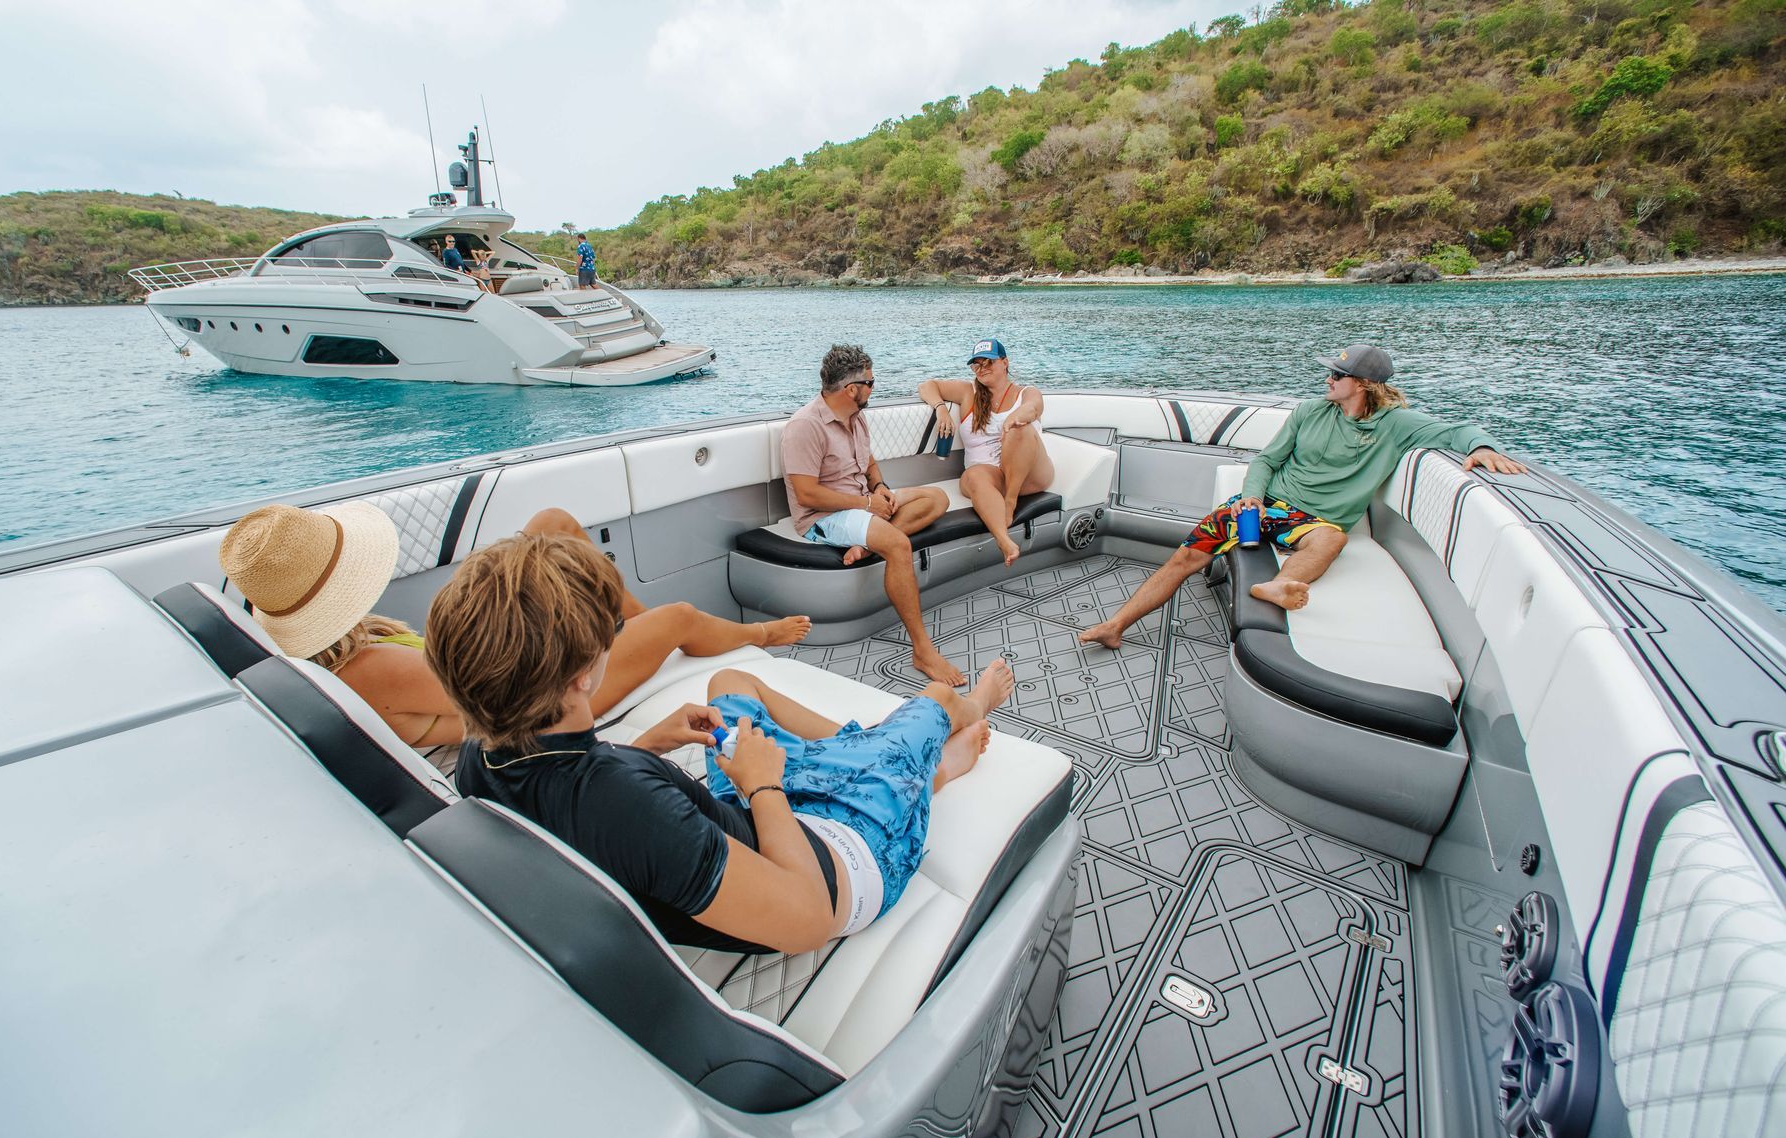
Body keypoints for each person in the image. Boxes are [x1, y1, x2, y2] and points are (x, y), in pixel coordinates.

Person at [427, 533, 1015, 954]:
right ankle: (931, 756)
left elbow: (582, 791)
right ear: (583, 675)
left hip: (739, 820)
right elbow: (808, 920)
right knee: (935, 699)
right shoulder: (631, 806)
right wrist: (762, 784)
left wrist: (649, 745)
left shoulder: (483, 757)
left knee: (730, 682)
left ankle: (872, 758)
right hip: (837, 862)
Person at [217, 502, 812, 767]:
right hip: (539, 704)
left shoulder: (354, 641)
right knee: (679, 617)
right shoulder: (366, 668)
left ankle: (627, 623)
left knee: (552, 525)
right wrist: (551, 624)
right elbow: (502, 692)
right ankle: (758, 635)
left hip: (511, 673)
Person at [1079, 343, 1527, 648]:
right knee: (1185, 556)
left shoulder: (1395, 425)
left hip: (1314, 522)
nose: (1328, 379)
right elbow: (1265, 461)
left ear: (1364, 385)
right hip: (1267, 507)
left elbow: (1461, 430)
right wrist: (1252, 496)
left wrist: (1483, 449)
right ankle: (1117, 625)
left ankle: (1278, 585)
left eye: (1337, 374)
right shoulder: (1309, 412)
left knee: (1332, 539)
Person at [784, 344, 965, 686]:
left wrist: (879, 487)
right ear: (852, 389)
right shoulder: (805, 426)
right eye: (871, 381)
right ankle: (923, 651)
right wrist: (867, 507)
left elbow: (867, 461)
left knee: (937, 498)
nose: (873, 386)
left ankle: (865, 546)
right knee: (897, 545)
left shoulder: (856, 417)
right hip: (823, 517)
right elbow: (806, 494)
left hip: (862, 502)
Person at [917, 337, 1056, 567]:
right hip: (989, 478)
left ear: (1005, 362)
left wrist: (1015, 417)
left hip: (1028, 476)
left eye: (988, 362)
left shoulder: (1025, 393)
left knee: (1019, 429)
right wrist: (941, 409)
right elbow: (927, 386)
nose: (982, 369)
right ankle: (1004, 541)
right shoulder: (968, 391)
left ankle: (1009, 502)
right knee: (972, 475)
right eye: (976, 364)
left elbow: (1033, 408)